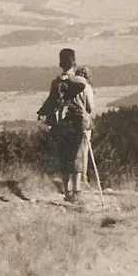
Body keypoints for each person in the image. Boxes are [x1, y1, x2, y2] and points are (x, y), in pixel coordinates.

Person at [37, 49, 96, 204]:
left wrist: (42, 112)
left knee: (64, 157)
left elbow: (51, 102)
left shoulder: (56, 83)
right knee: (77, 156)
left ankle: (67, 191)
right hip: (77, 123)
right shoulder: (81, 82)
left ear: (60, 64)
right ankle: (77, 192)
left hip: (61, 124)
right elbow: (89, 108)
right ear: (74, 62)